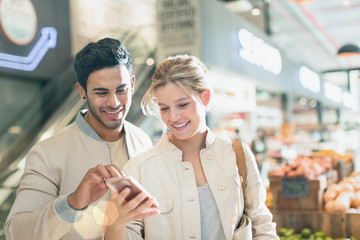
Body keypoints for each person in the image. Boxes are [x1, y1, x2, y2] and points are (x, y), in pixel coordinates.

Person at [104, 55, 279, 239]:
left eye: (182, 104)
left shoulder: (237, 155)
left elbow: (261, 225)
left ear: (205, 97)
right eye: (164, 108)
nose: (173, 117)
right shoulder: (139, 169)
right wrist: (114, 223)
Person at [5, 38, 158, 240]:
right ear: (82, 92)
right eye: (101, 93)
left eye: (121, 90)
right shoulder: (47, 153)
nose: (114, 102)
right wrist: (73, 202)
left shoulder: (142, 140)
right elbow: (15, 232)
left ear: (132, 84)